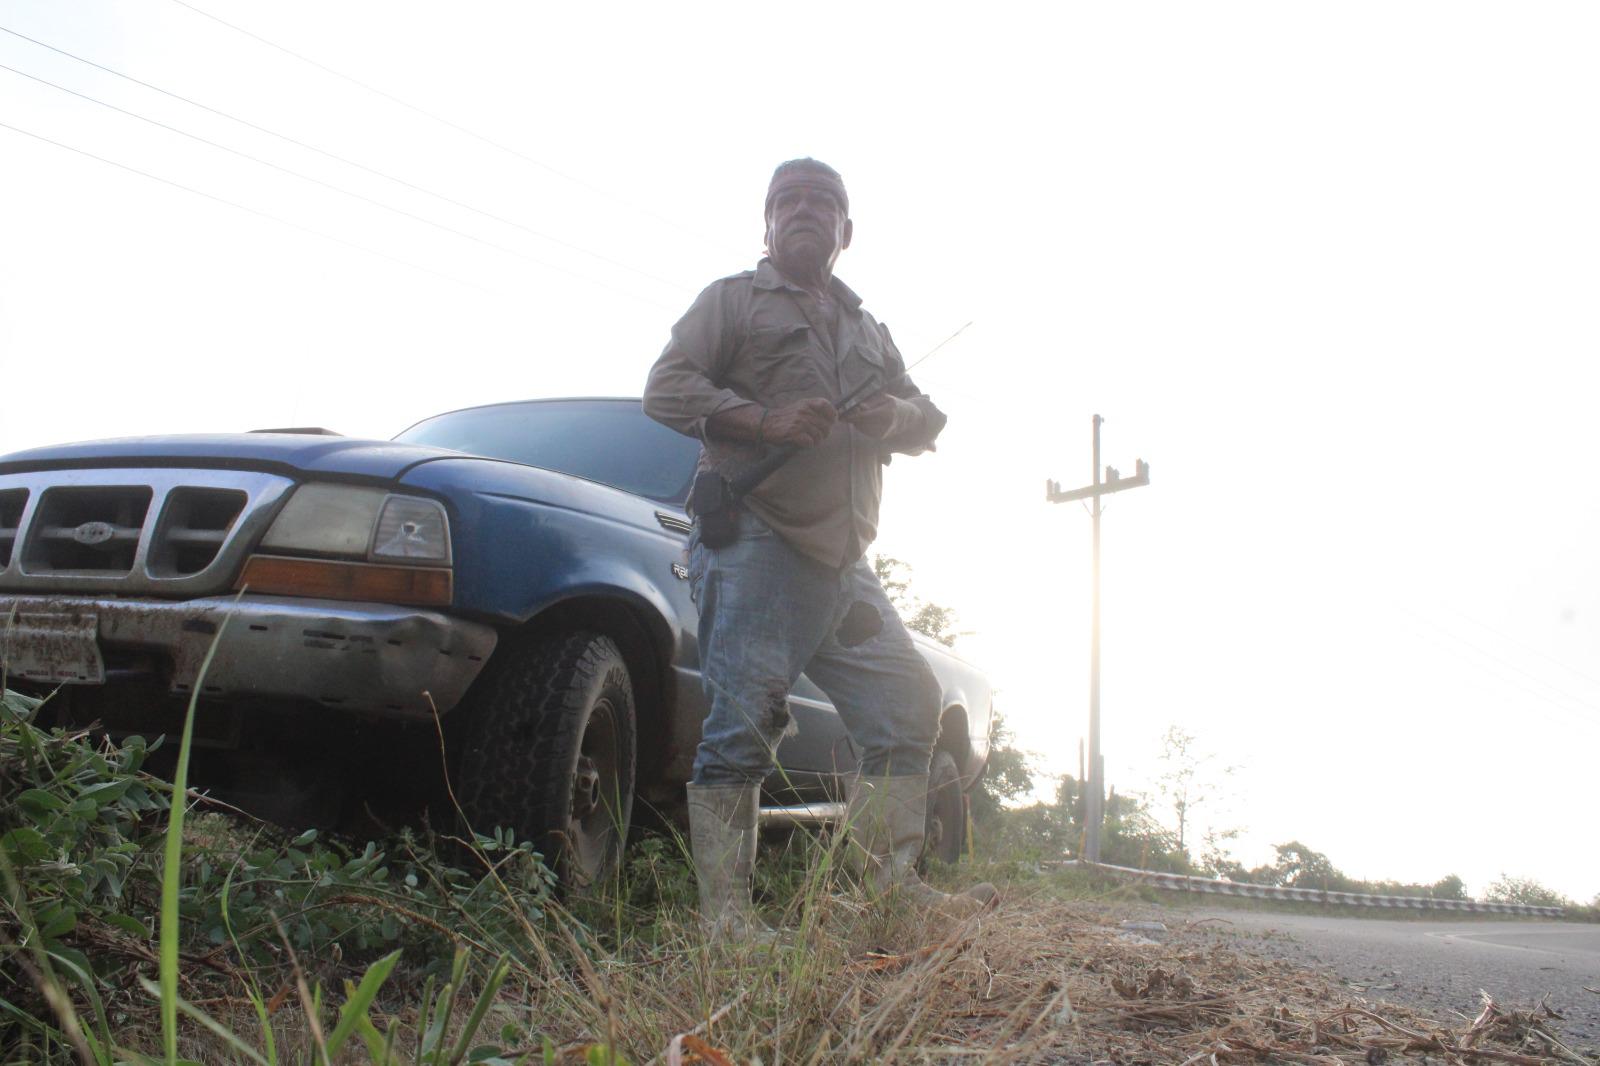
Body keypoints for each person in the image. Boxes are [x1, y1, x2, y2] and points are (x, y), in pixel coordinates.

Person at [643, 158, 996, 939]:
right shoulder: (732, 300)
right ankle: (726, 922)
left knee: (907, 707)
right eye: (788, 201)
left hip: (844, 565)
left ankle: (887, 892)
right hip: (759, 542)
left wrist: (887, 418)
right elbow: (665, 388)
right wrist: (762, 420)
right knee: (744, 723)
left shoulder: (868, 330)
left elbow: (927, 417)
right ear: (767, 222)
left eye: (822, 203)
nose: (804, 212)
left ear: (846, 231)